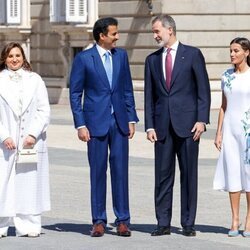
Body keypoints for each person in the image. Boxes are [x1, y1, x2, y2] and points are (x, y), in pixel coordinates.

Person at [69, 17, 139, 237]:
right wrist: (80, 124)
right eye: (114, 33)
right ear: (102, 36)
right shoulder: (83, 58)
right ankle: (98, 220)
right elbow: (75, 93)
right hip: (94, 124)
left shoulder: (121, 56)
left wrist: (131, 119)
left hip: (118, 123)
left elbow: (127, 89)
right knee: (98, 172)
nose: (117, 37)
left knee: (120, 172)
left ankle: (123, 220)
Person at [144, 14, 211, 237]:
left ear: (169, 30)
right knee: (162, 176)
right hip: (162, 128)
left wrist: (202, 120)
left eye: (156, 31)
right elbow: (149, 96)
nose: (154, 35)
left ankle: (188, 223)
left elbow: (203, 90)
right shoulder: (152, 60)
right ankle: (163, 222)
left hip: (189, 126)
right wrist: (149, 126)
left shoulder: (192, 54)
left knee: (189, 176)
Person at [0, 42, 50, 238]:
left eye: (18, 56)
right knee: (3, 183)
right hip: (6, 142)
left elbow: (43, 109)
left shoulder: (35, 80)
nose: (14, 59)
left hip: (30, 142)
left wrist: (32, 134)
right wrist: (4, 136)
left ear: (23, 57)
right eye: (10, 56)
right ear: (4, 58)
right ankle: (2, 224)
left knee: (28, 183)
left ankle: (29, 225)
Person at [213, 37, 250, 237]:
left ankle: (249, 220)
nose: (232, 54)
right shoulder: (226, 75)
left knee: (249, 173)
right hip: (230, 130)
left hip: (248, 131)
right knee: (233, 173)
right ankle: (234, 219)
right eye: (231, 51)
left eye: (236, 50)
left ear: (247, 52)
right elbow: (223, 106)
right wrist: (219, 132)